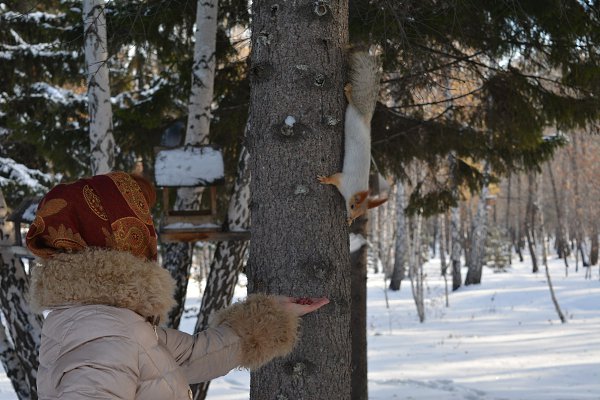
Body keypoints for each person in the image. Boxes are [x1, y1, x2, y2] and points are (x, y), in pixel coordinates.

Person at [26, 171, 328, 400]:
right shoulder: (103, 332)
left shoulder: (107, 320)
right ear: (115, 232)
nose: (150, 232)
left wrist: (271, 316)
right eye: (140, 217)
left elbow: (192, 356)